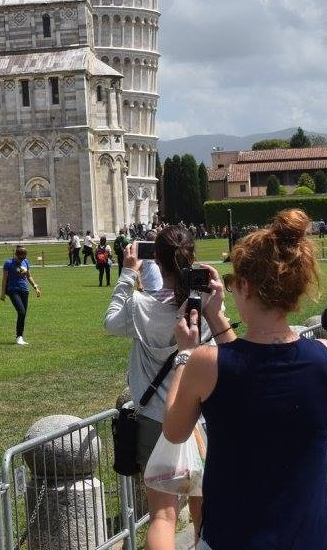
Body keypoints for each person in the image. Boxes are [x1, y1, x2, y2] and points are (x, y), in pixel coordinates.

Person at [163, 208, 327, 549]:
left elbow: (174, 430)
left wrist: (185, 354)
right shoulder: (326, 357)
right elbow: (252, 373)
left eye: (233, 284)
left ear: (244, 285)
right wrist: (217, 321)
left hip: (235, 534)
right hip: (310, 536)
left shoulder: (204, 364)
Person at [103, 225, 210, 550]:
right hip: (197, 420)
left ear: (156, 262)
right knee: (203, 508)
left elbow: (110, 322)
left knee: (163, 516)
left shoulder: (139, 305)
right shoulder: (200, 308)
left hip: (153, 418)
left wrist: (126, 274)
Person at [0, 246, 41, 345]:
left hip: (24, 290)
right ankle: (18, 337)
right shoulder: (8, 263)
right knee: (21, 312)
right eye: (20, 258)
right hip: (13, 290)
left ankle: (20, 336)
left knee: (23, 315)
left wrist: (35, 287)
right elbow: (4, 279)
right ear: (16, 255)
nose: (22, 259)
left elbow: (29, 276)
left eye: (23, 257)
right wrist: (2, 293)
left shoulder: (25, 262)